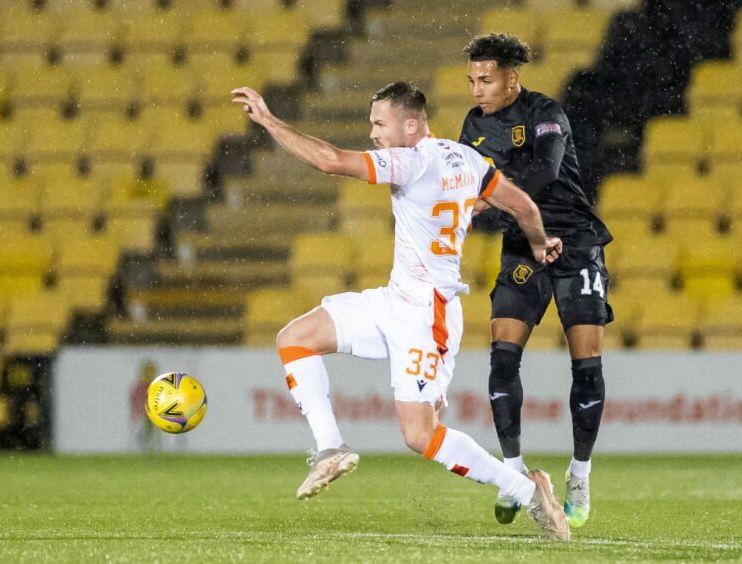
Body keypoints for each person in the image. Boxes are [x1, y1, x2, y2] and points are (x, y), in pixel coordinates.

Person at [231, 81, 570, 541]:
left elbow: (330, 160)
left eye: (379, 123)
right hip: (394, 299)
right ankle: (330, 447)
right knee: (295, 337)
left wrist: (269, 122)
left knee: (420, 435)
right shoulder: (467, 159)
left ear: (411, 126)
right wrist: (540, 242)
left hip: (425, 314)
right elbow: (522, 204)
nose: (372, 133)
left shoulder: (410, 161)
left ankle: (529, 492)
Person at [458, 33, 614, 529]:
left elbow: (544, 172)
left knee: (586, 366)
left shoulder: (546, 112)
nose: (478, 89)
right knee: (502, 356)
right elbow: (461, 177)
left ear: (512, 78)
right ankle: (512, 472)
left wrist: (486, 201)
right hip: (523, 246)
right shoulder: (472, 125)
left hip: (576, 242)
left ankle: (580, 473)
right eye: (472, 81)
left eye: (486, 79)